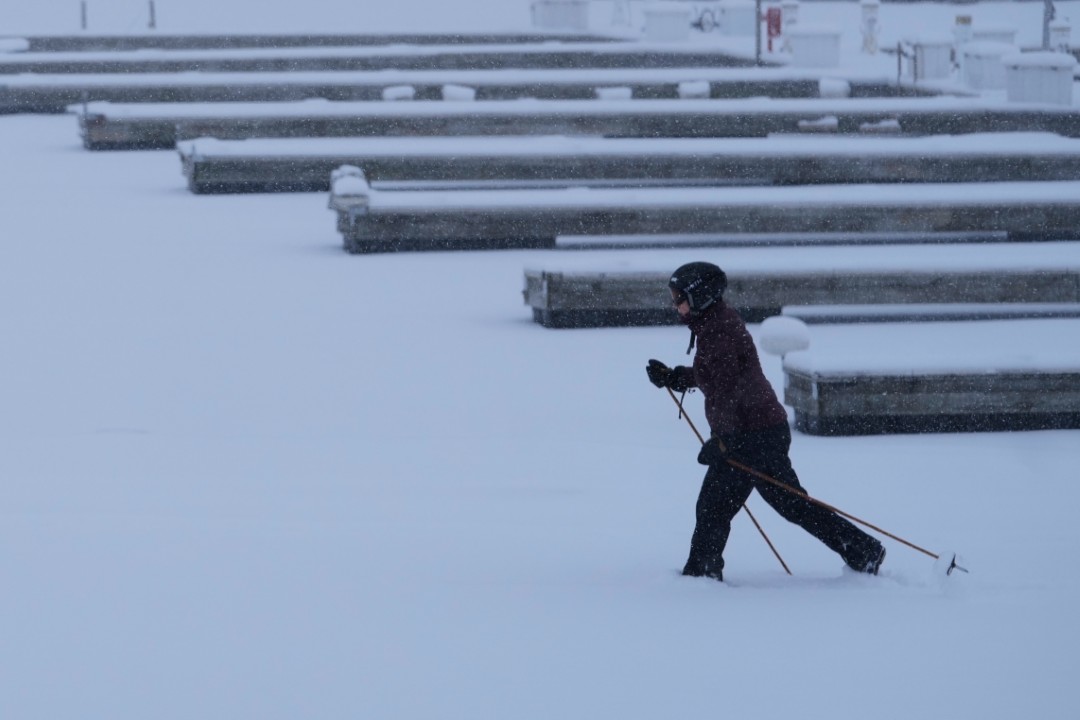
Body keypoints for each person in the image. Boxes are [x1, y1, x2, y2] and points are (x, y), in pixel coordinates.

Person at [646, 261, 886, 582]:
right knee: (787, 504)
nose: (676, 305)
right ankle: (862, 549)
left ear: (700, 296)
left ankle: (702, 574)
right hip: (757, 431)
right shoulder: (713, 325)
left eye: (679, 298)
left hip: (753, 434)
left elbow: (730, 392)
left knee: (716, 506)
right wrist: (675, 377)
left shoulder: (719, 332)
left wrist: (724, 442)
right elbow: (717, 378)